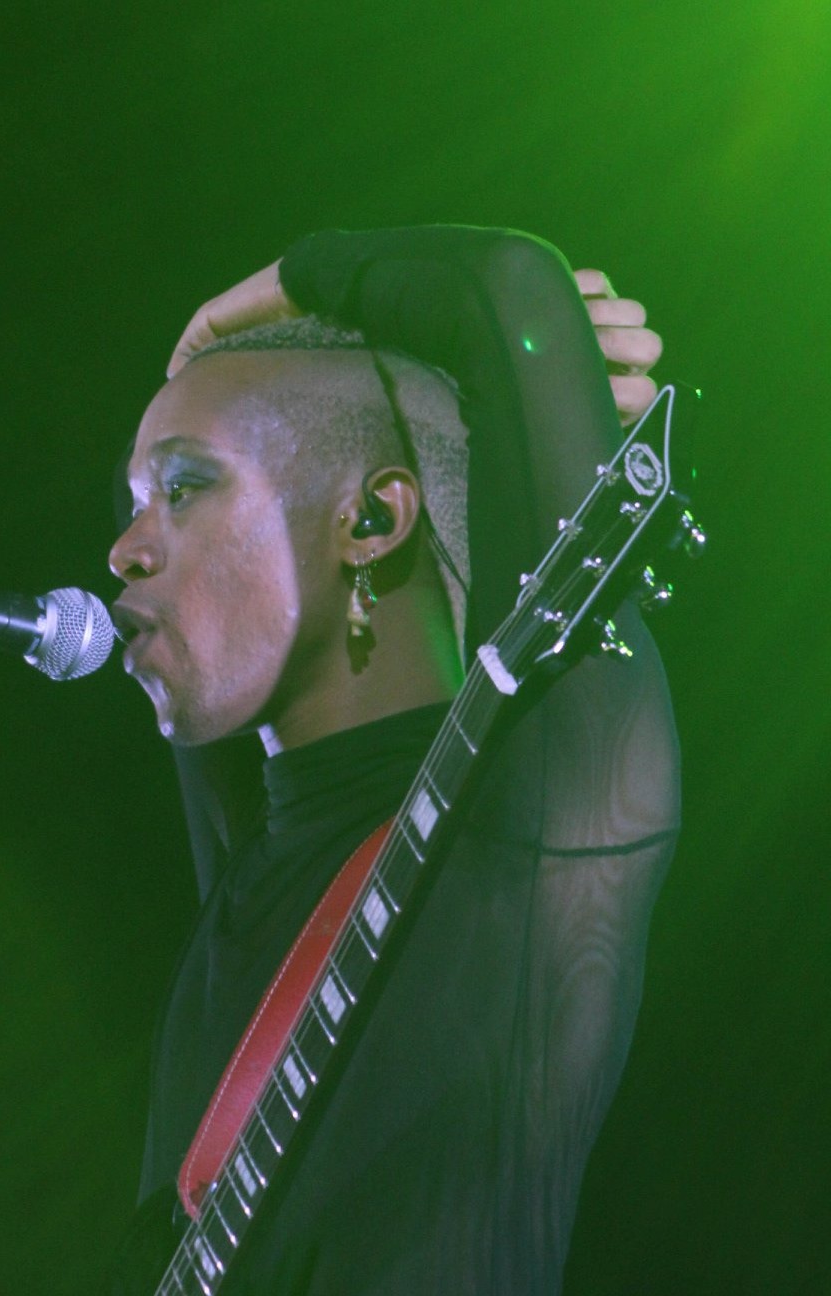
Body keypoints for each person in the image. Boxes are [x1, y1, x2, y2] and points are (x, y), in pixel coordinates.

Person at [107, 226, 678, 1293]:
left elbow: (507, 291)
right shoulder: (253, 876)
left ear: (370, 518)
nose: (124, 549)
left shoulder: (527, 811)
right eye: (133, 505)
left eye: (182, 488)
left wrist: (232, 313)